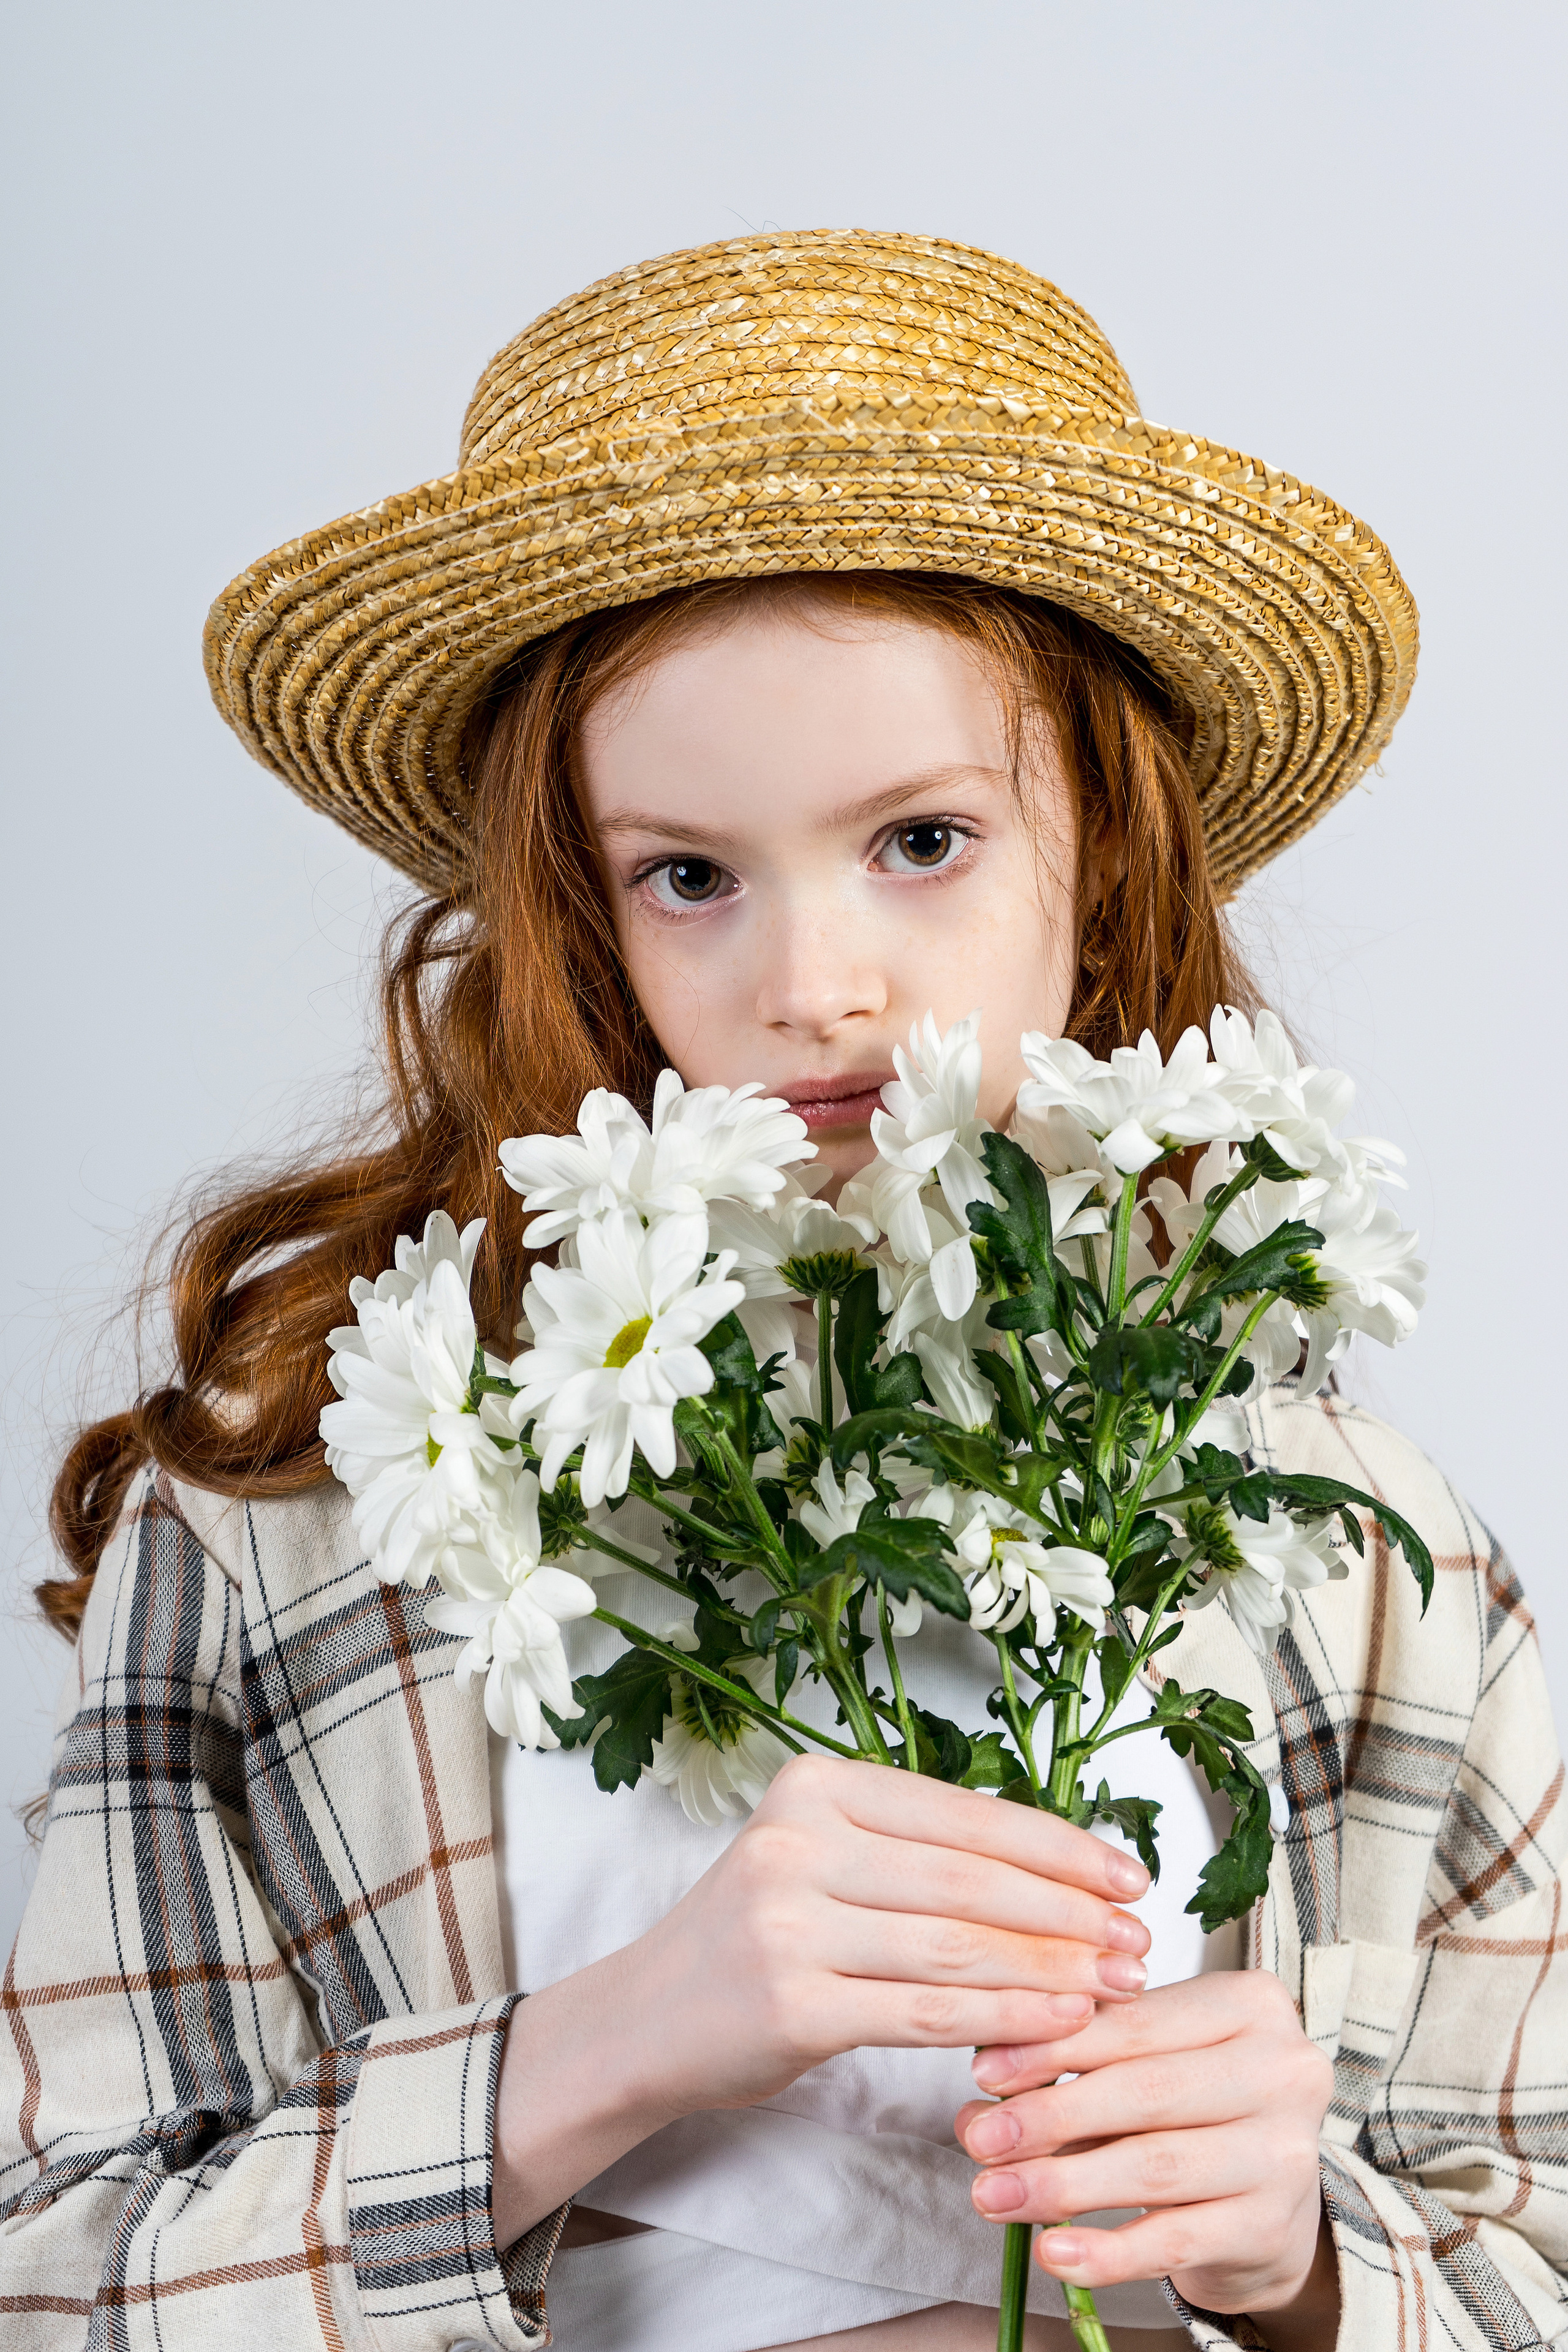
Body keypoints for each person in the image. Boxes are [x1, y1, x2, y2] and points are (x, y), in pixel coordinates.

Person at [2, 230, 1562, 2352]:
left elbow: (1530, 2242)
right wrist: (603, 2052)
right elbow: (51, 2276)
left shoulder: (1375, 1567)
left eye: (921, 841)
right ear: (582, 913)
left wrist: (1296, 2256)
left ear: (1099, 859)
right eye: (690, 874)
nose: (815, 984)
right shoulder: (301, 1525)